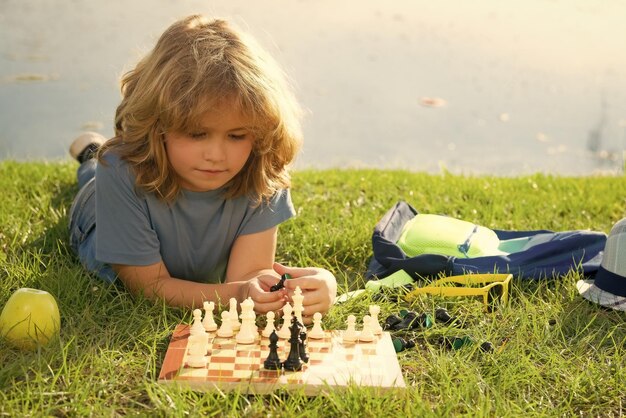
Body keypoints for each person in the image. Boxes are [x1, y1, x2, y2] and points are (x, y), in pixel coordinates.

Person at [67, 15, 336, 322]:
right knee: (97, 170)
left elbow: (248, 276)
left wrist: (318, 284)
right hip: (96, 218)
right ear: (158, 125)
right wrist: (237, 294)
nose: (216, 155)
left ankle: (93, 153)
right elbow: (149, 287)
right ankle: (90, 156)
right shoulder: (119, 171)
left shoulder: (260, 169)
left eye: (236, 136)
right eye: (197, 133)